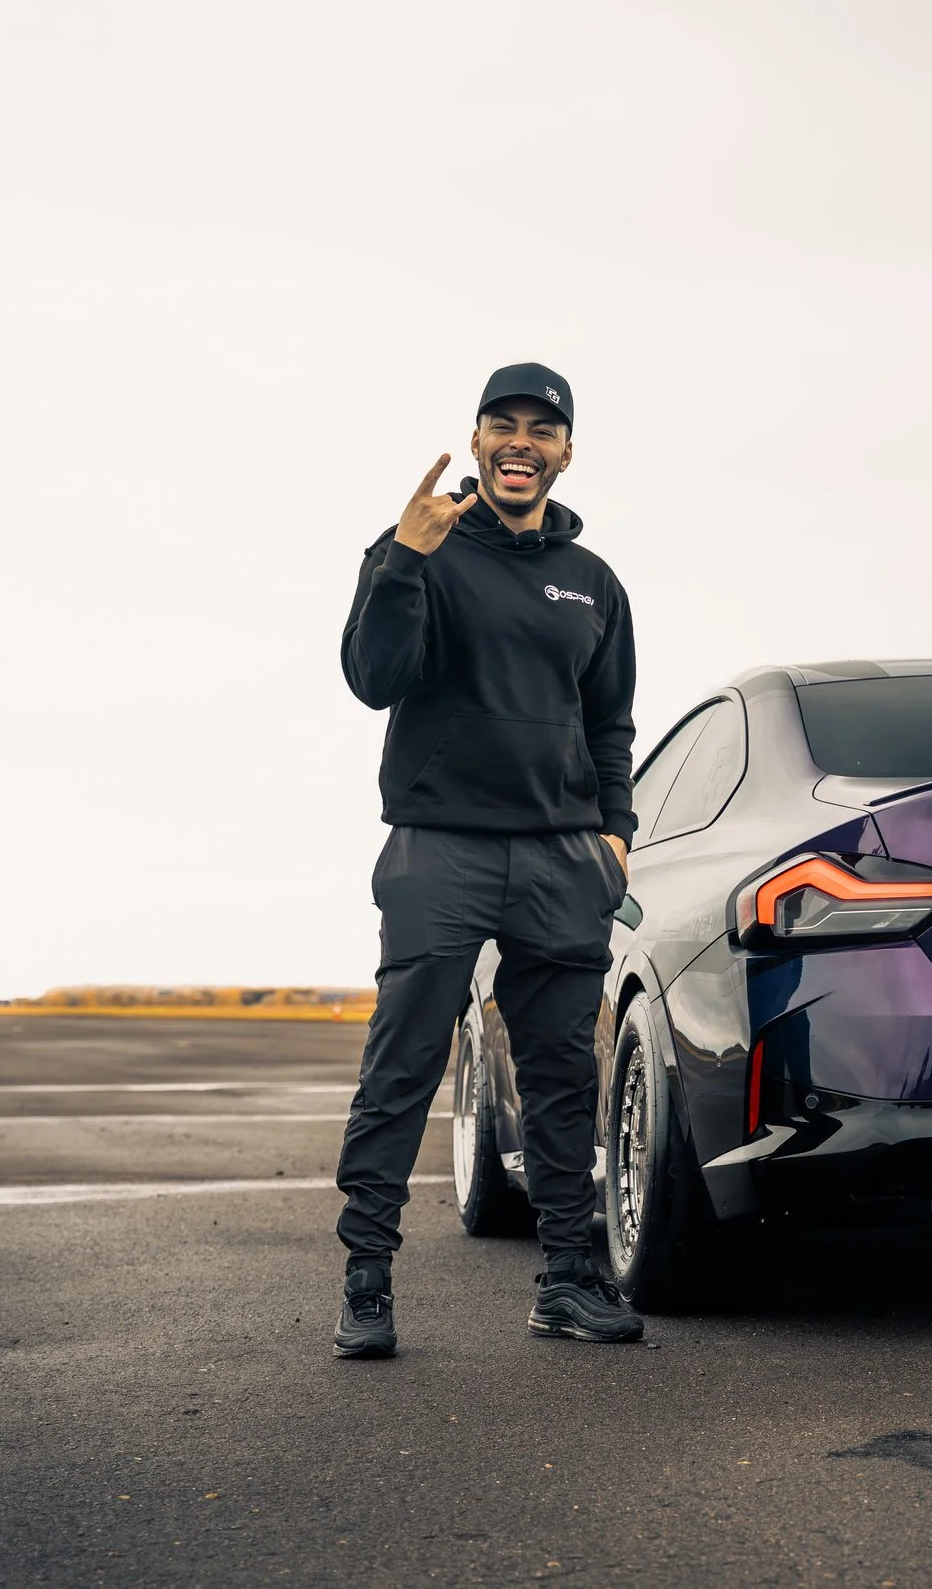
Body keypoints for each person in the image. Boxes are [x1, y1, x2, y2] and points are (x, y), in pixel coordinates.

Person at [331, 361, 644, 1356]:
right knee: (406, 1058)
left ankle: (564, 1276)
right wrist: (402, 561)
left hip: (559, 854)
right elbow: (373, 678)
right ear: (475, 440)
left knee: (559, 1071)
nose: (521, 442)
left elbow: (609, 720)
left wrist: (615, 831)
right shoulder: (417, 546)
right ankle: (368, 1280)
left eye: (541, 429)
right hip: (442, 844)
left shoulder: (593, 583)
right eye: (502, 424)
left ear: (564, 451)